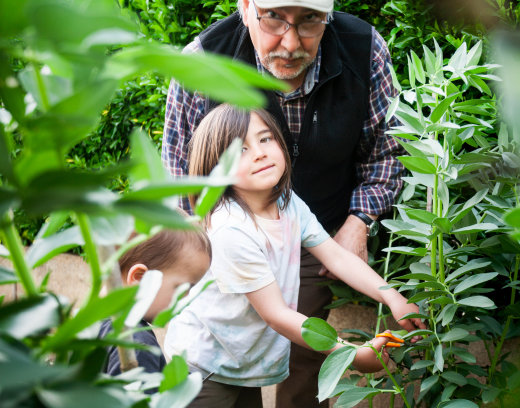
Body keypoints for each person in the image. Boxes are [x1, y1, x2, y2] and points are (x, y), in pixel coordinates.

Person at [162, 1, 404, 406]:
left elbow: (389, 154)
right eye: (274, 18)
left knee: (304, 366)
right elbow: (177, 178)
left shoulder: (363, 48)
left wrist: (388, 284)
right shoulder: (203, 62)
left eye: (309, 20)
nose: (290, 43)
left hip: (310, 229)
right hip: (203, 363)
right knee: (236, 379)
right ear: (245, 8)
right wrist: (353, 354)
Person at [164, 104, 424, 408]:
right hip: (203, 368)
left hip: (240, 363)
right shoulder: (230, 229)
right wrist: (349, 354)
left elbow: (335, 256)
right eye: (240, 150)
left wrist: (393, 297)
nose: (259, 153)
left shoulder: (287, 202)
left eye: (265, 139)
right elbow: (276, 314)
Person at [99, 222, 212, 377]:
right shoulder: (138, 347)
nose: (188, 299)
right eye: (182, 288)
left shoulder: (89, 321)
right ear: (140, 278)